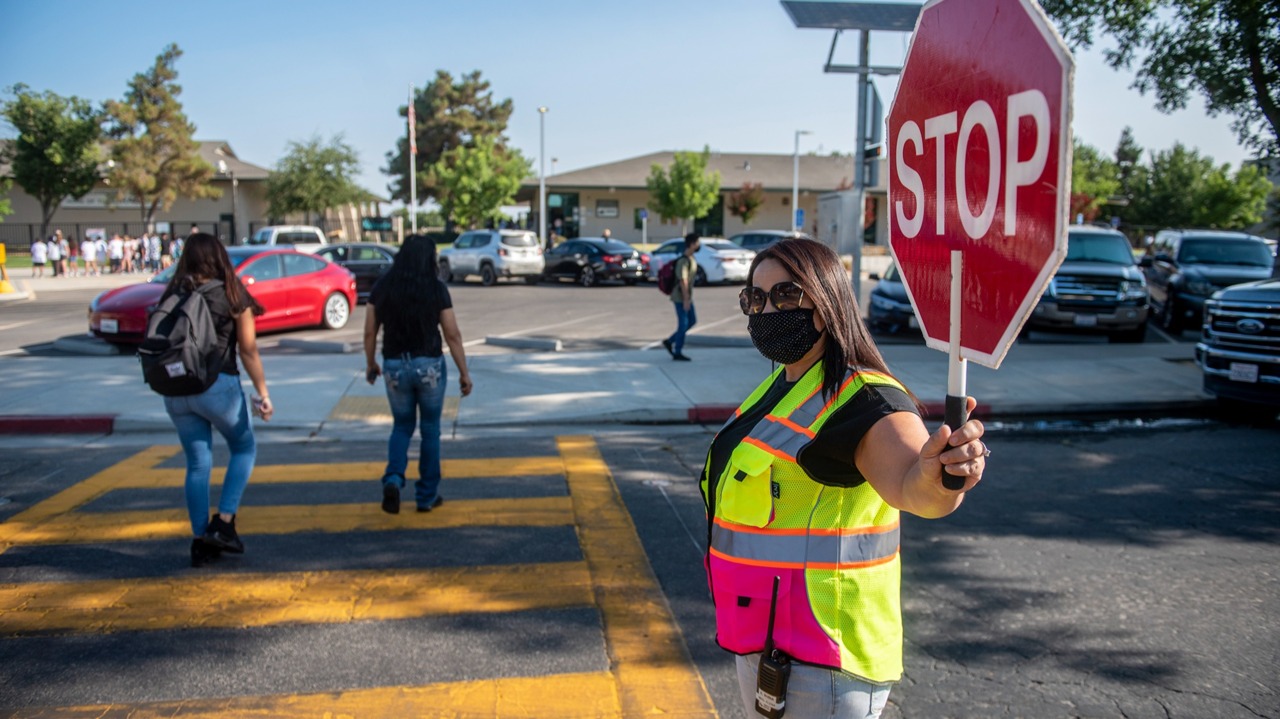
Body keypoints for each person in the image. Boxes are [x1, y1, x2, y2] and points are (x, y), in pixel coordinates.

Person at [701, 238, 988, 719]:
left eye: (786, 296)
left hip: (823, 658)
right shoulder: (783, 385)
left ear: (826, 299)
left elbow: (916, 489)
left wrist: (942, 475)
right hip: (766, 644)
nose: (767, 311)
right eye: (755, 299)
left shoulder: (866, 400)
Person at [159, 233, 273, 568]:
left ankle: (200, 541)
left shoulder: (173, 292)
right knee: (244, 448)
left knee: (197, 463)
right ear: (220, 257)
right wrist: (263, 392)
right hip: (217, 388)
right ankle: (223, 523)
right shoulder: (231, 293)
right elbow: (248, 350)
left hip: (176, 390)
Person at [363, 234, 473, 514]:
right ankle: (426, 496)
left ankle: (393, 478)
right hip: (429, 366)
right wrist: (464, 372)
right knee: (430, 430)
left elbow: (369, 332)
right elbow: (452, 334)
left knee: (401, 426)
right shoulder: (436, 288)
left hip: (394, 366)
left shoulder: (382, 286)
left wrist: (371, 363)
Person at [662, 233, 699, 361]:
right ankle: (677, 352)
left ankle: (669, 341)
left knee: (692, 321)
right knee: (683, 324)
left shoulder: (691, 258)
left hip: (686, 297)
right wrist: (686, 300)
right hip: (680, 297)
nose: (699, 245)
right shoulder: (683, 261)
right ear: (692, 244)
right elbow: (683, 281)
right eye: (697, 243)